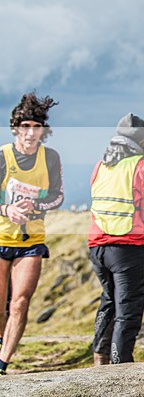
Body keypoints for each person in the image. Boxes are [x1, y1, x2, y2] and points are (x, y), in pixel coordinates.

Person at [88, 114, 144, 365]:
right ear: (143, 140)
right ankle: (121, 366)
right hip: (126, 249)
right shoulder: (143, 167)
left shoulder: (101, 166)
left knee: (109, 299)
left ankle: (100, 357)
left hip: (97, 247)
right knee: (128, 308)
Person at [0, 92, 64, 374]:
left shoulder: (50, 158)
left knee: (20, 303)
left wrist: (35, 204)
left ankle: (2, 362)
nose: (30, 133)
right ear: (16, 128)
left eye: (36, 127)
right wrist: (7, 209)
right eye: (25, 126)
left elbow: (57, 196)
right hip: (1, 237)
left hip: (31, 242)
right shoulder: (2, 156)